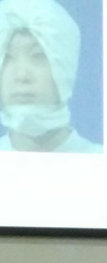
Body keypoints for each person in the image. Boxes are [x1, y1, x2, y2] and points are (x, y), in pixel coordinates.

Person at [0, 0, 101, 152]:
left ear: (66, 68)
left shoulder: (105, 162)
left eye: (38, 55)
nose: (22, 75)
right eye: (7, 57)